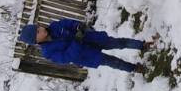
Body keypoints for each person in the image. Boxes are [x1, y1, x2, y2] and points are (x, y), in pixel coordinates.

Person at [18, 19, 148, 72]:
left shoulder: (54, 26)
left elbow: (68, 23)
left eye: (38, 27)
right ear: (36, 41)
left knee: (119, 42)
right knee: (113, 62)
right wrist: (76, 41)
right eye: (38, 32)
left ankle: (142, 45)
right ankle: (134, 68)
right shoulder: (48, 52)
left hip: (92, 39)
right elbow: (66, 57)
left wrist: (77, 26)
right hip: (86, 55)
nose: (41, 29)